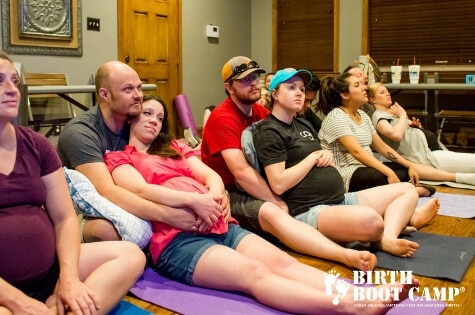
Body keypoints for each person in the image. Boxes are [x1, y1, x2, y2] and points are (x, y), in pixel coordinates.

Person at [104, 94, 418, 315]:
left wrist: (215, 194)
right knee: (255, 273)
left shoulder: (176, 148)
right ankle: (352, 308)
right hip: (178, 241)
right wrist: (193, 200)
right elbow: (140, 189)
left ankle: (360, 294)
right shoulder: (119, 157)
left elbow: (208, 174)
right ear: (131, 118)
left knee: (284, 263)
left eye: (159, 116)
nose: (154, 121)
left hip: (219, 224)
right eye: (147, 113)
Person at [201, 56, 379, 271]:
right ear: (229, 87)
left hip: (261, 183)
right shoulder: (223, 117)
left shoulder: (259, 113)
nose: (254, 82)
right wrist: (276, 201)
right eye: (245, 80)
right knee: (271, 212)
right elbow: (242, 173)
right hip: (230, 192)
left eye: (255, 76)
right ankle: (343, 254)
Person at [0, 52, 146, 315]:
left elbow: (65, 218)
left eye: (14, 81)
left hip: (51, 273)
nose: (11, 90)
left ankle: (59, 304)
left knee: (131, 255)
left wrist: (68, 279)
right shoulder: (81, 131)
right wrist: (16, 301)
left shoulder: (37, 145)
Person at [253, 68, 438, 257]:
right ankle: (396, 224)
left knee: (407, 190)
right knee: (372, 221)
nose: (299, 93)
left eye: (301, 88)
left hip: (340, 199)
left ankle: (387, 238)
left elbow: (323, 154)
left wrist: (326, 157)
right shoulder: (270, 132)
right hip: (311, 209)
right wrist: (313, 158)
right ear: (275, 93)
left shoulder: (302, 124)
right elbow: (278, 184)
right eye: (291, 88)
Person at [58, 61, 204, 243]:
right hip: (85, 208)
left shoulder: (134, 121)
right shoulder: (81, 133)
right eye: (128, 90)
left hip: (132, 195)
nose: (138, 96)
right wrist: (167, 215)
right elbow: (106, 191)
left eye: (139, 88)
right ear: (105, 94)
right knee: (108, 230)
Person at [317, 72, 469, 198]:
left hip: (364, 167)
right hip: (344, 173)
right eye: (357, 85)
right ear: (345, 94)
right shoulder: (336, 116)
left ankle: (401, 190)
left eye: (362, 84)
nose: (365, 88)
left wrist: (409, 165)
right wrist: (388, 171)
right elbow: (357, 152)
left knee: (403, 170)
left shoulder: (362, 115)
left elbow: (381, 147)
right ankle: (406, 191)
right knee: (379, 176)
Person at [368, 82, 475, 182]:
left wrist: (413, 126)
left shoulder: (391, 113)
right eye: (382, 92)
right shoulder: (379, 117)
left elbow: (402, 131)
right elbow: (395, 135)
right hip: (427, 156)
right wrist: (403, 115)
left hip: (430, 151)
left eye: (387, 91)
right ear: (372, 99)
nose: (387, 94)